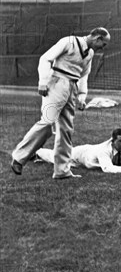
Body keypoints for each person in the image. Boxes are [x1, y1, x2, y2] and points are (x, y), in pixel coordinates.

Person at [11, 28, 111, 179]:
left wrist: (82, 96)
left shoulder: (89, 53)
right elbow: (45, 59)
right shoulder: (69, 41)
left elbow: (84, 75)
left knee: (66, 129)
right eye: (102, 44)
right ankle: (19, 158)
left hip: (72, 86)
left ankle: (62, 171)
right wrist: (43, 81)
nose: (102, 48)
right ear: (97, 38)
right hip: (56, 82)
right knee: (47, 121)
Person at [35, 128, 121, 174]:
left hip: (89, 151)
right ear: (113, 140)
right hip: (81, 154)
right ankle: (35, 151)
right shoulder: (104, 150)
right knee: (55, 157)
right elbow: (107, 168)